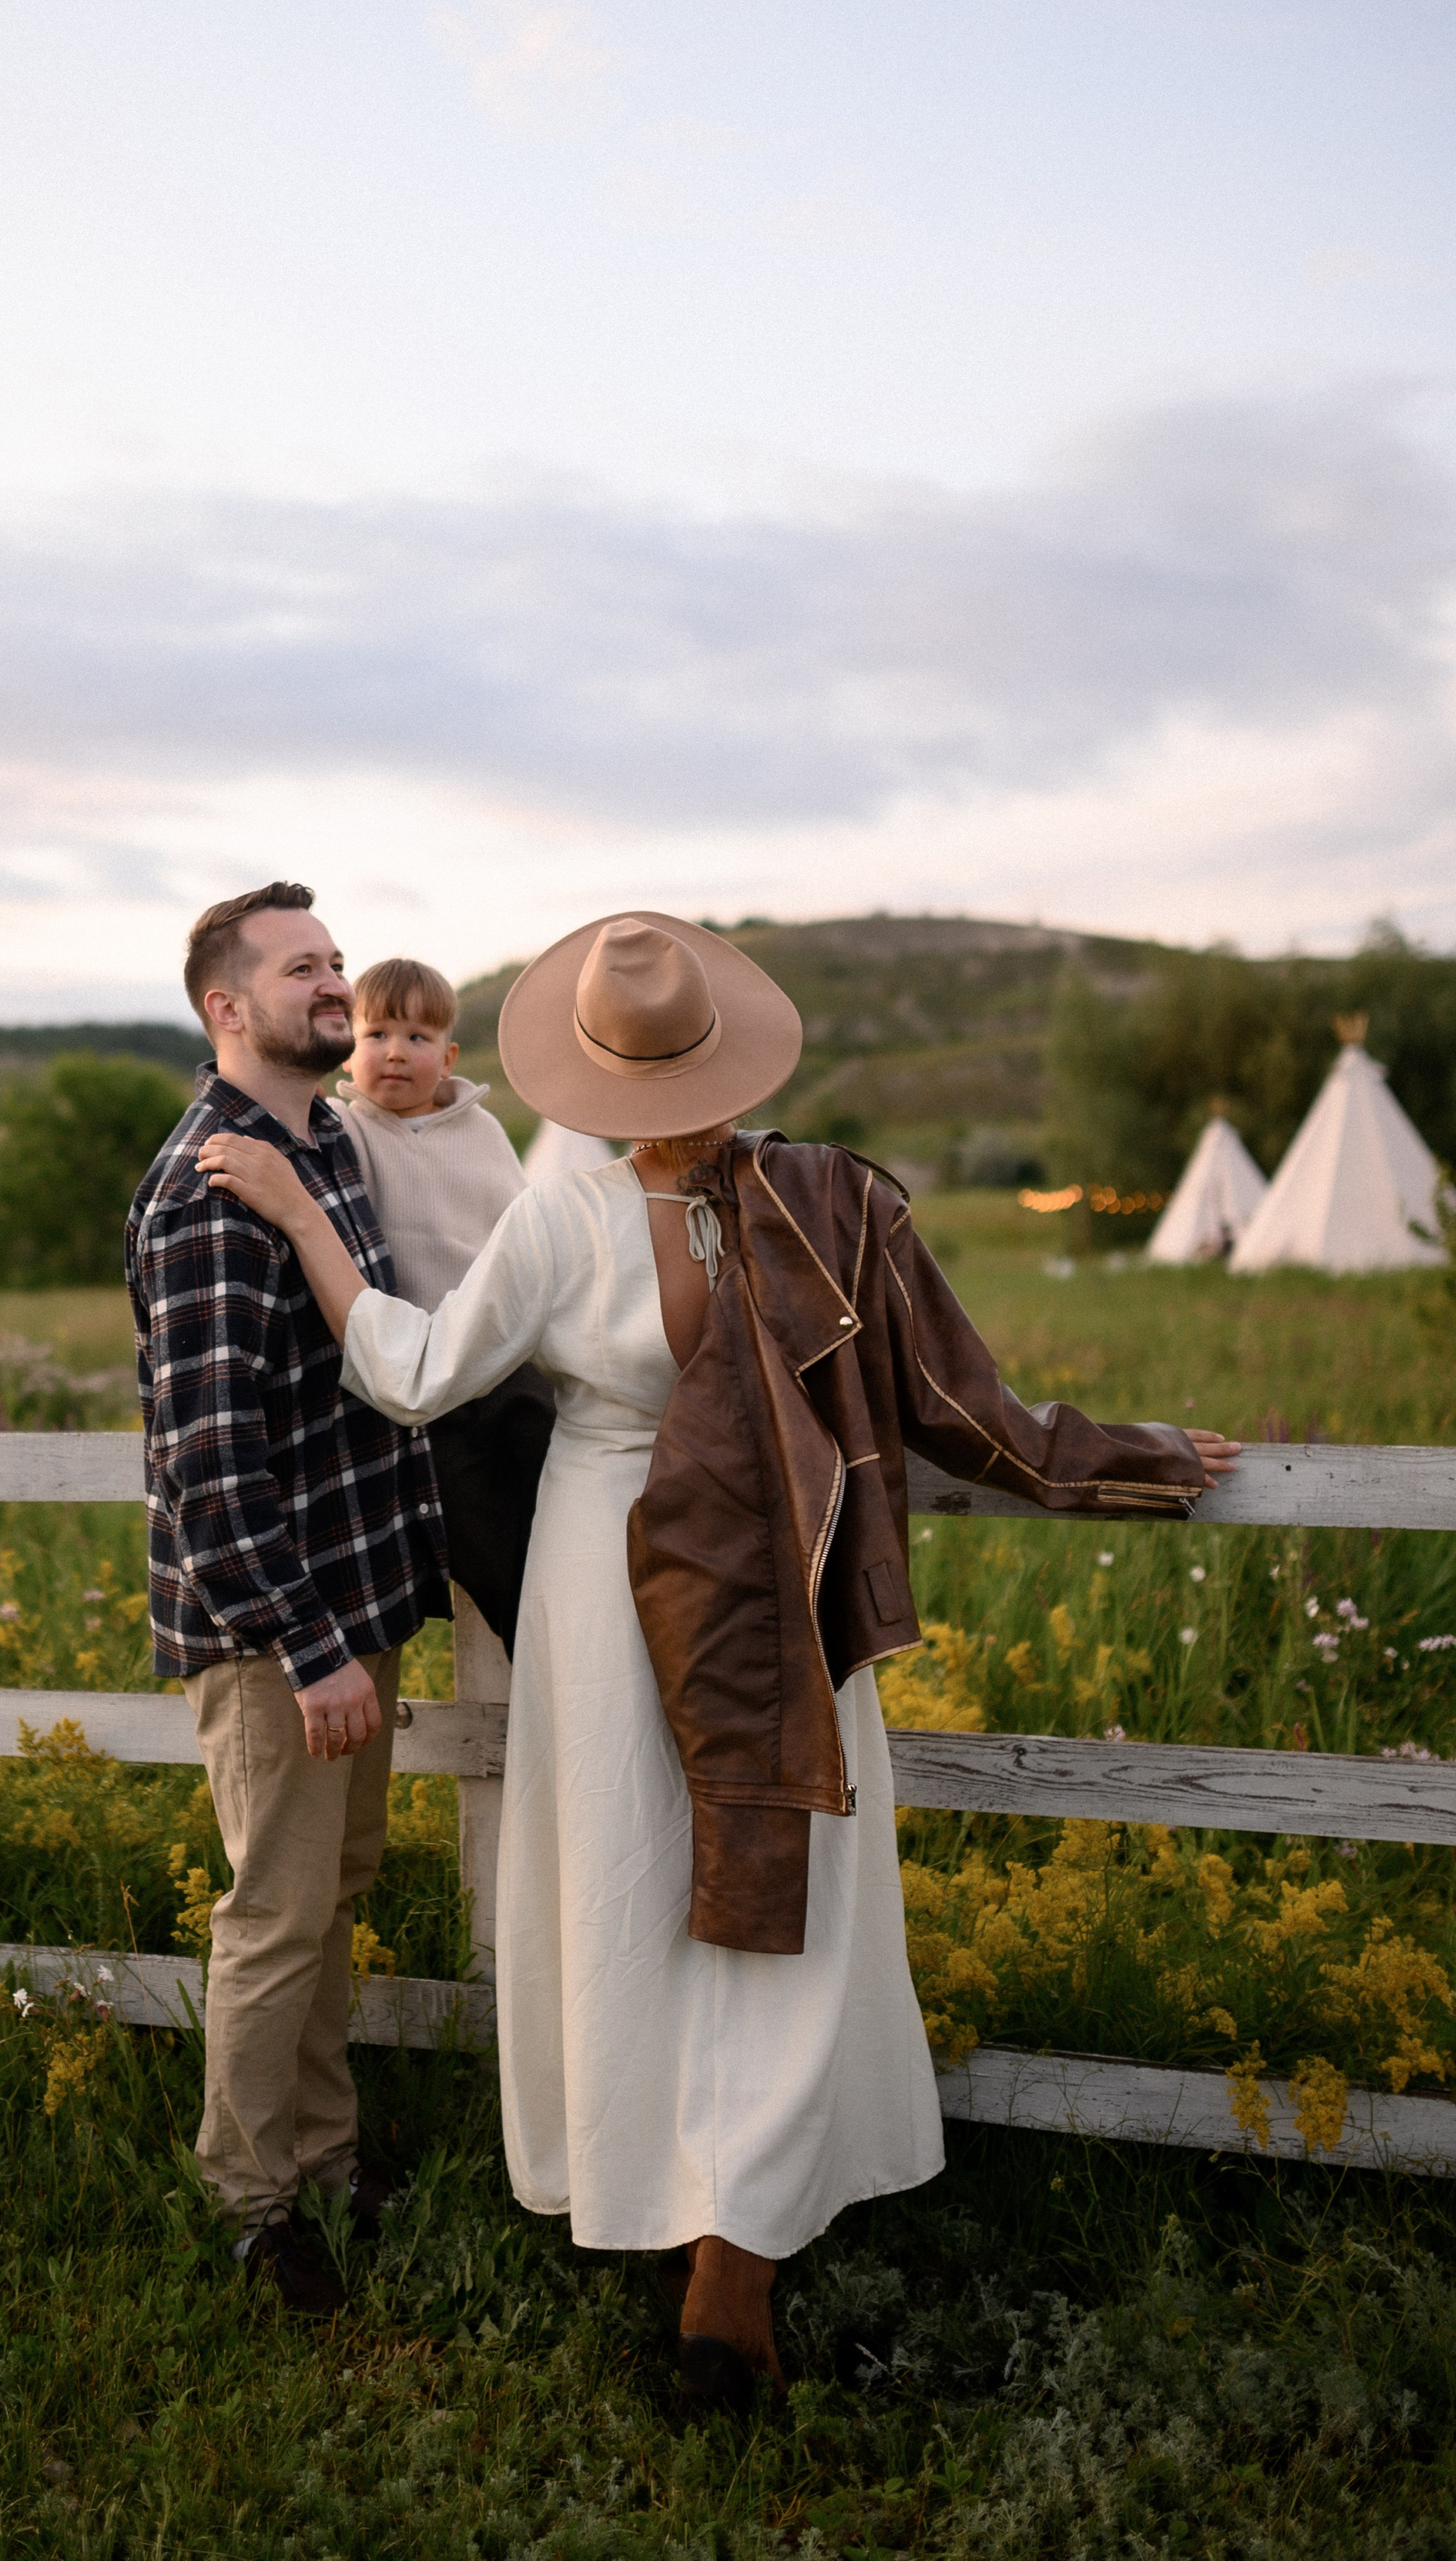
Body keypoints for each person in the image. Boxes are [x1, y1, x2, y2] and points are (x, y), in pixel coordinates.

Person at [195, 911, 1240, 2402]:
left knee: (627, 1885)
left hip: (604, 1564)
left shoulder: (560, 1218)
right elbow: (968, 1403)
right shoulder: (828, 1198)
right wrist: (1127, 1459)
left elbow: (418, 1375)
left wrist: (306, 1224)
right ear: (728, 1061)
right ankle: (736, 2237)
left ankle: (668, 2193)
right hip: (777, 1570)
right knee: (781, 1889)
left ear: (589, 1077)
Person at [124, 880, 450, 2315]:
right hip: (277, 1633)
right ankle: (255, 2203)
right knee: (276, 1912)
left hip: (348, 1607)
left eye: (334, 960)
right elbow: (209, 1461)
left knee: (333, 1895)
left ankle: (326, 2157)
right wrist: (313, 1645)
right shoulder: (214, 1186)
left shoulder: (315, 1147)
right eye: (299, 968)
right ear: (226, 1005)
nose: (331, 983)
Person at [335, 955, 554, 1656]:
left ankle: (592, 1633)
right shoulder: (348, 1131)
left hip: (501, 1358)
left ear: (448, 1054)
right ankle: (545, 1657)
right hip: (424, 1380)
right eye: (376, 1035)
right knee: (489, 1540)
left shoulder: (483, 1132)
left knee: (557, 1499)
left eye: (417, 1038)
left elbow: (523, 1234)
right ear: (349, 1045)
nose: (395, 1052)